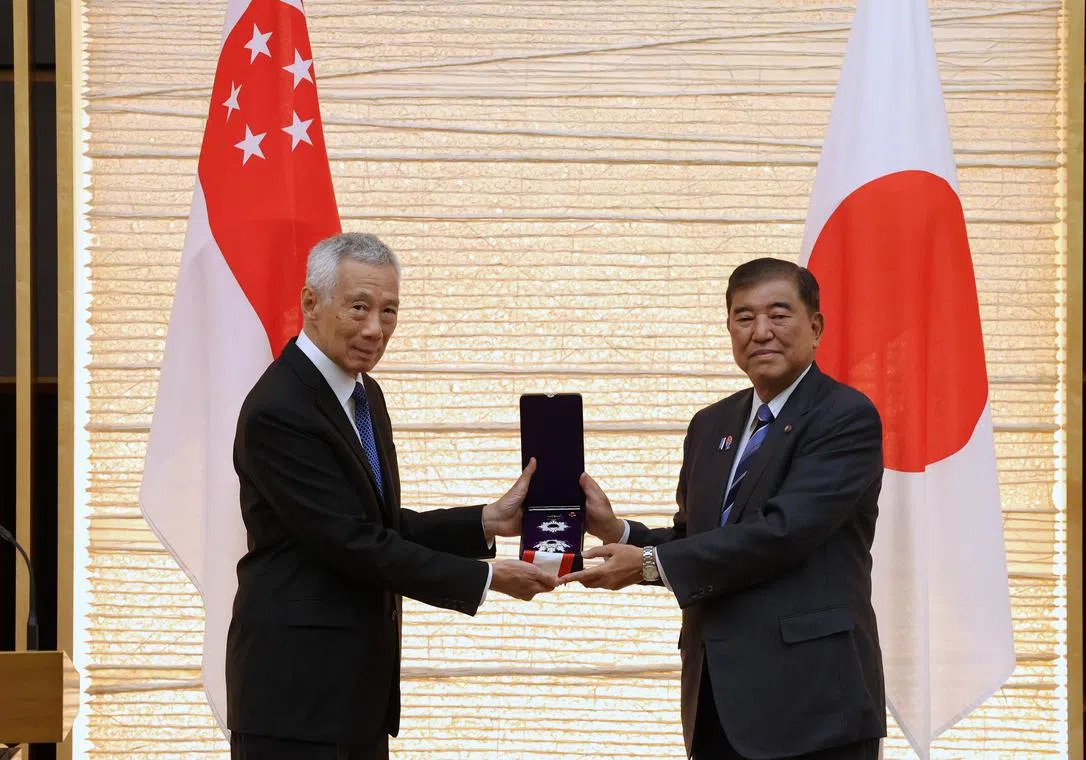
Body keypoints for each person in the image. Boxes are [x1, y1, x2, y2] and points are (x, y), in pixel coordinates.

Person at [226, 232, 557, 760]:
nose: (375, 329)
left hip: (355, 694)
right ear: (311, 303)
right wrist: (489, 577)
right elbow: (353, 543)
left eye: (389, 311)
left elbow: (375, 522)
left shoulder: (361, 393)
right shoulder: (281, 408)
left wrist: (487, 522)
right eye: (358, 308)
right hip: (296, 700)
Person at [562, 258, 886, 760]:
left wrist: (649, 564)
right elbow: (698, 538)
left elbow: (781, 533)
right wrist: (622, 533)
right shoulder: (711, 424)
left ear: (815, 327)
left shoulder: (845, 417)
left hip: (815, 708)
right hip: (717, 700)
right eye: (744, 317)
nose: (761, 332)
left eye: (779, 315)